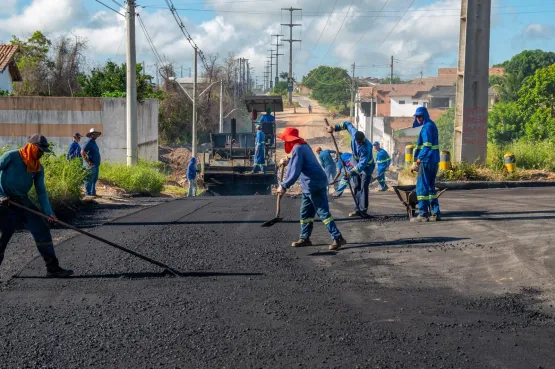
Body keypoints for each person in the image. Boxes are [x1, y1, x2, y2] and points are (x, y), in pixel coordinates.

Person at [0, 135, 73, 278]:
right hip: (5, 203)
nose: (41, 154)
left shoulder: (37, 167)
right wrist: (1, 196)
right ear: (31, 147)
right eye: (39, 150)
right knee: (3, 236)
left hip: (22, 201)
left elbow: (41, 192)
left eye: (43, 152)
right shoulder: (11, 156)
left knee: (42, 228)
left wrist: (49, 213)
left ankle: (53, 268)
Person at [277, 127, 347, 251]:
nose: (284, 143)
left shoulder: (298, 148)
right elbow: (298, 161)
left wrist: (284, 185)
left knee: (323, 212)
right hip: (308, 186)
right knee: (305, 213)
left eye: (285, 140)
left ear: (289, 140)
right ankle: (305, 238)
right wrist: (288, 160)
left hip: (315, 184)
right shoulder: (302, 146)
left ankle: (338, 237)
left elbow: (295, 170)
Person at [327, 121, 375, 218]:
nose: (360, 144)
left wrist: (351, 172)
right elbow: (347, 124)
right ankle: (357, 209)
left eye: (362, 142)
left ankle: (363, 210)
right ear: (355, 139)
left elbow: (362, 164)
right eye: (359, 142)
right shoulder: (354, 133)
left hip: (367, 167)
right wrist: (334, 128)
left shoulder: (367, 147)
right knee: (356, 186)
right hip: (355, 162)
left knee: (363, 188)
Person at [410, 107, 441, 222]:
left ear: (425, 116)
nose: (418, 118)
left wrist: (418, 160)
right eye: (416, 116)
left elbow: (427, 146)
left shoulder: (427, 127)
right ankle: (435, 213)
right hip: (434, 161)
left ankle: (423, 214)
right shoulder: (431, 125)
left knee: (422, 188)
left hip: (427, 161)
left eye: (420, 116)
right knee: (430, 187)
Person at [81, 128, 102, 198]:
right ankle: (88, 194)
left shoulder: (93, 142)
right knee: (89, 179)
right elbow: (82, 152)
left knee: (94, 179)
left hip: (96, 164)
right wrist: (88, 162)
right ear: (91, 135)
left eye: (96, 134)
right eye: (94, 134)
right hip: (90, 164)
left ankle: (93, 193)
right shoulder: (88, 142)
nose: (95, 135)